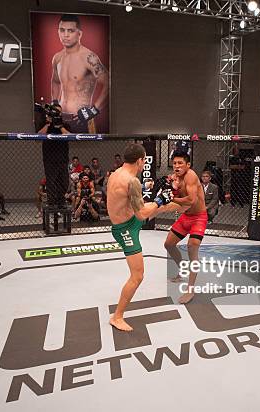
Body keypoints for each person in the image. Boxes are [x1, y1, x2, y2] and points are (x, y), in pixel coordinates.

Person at [107, 143, 175, 332]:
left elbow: (126, 197)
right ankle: (117, 316)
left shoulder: (117, 173)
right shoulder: (131, 181)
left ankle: (190, 208)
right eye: (144, 160)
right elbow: (143, 214)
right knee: (137, 276)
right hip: (126, 229)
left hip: (129, 220)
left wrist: (158, 198)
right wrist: (160, 199)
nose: (145, 163)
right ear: (139, 160)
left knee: (169, 205)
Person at [51, 14, 109, 133]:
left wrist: (93, 110)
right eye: (62, 30)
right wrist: (55, 103)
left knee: (83, 152)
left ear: (79, 34)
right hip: (61, 119)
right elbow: (55, 81)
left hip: (81, 119)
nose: (65, 35)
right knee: (60, 151)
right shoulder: (57, 58)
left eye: (70, 31)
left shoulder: (89, 58)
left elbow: (109, 83)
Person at [165, 152, 208, 304]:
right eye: (174, 163)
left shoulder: (191, 176)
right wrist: (173, 188)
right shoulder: (175, 177)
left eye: (180, 163)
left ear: (188, 165)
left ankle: (190, 290)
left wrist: (172, 198)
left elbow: (190, 199)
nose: (176, 166)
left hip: (198, 218)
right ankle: (182, 269)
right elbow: (176, 197)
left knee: (192, 246)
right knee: (168, 244)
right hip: (186, 218)